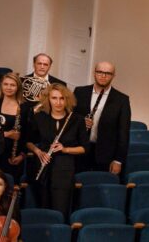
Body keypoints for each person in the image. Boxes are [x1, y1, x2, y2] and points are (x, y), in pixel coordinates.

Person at [27, 83, 87, 219]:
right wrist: (38, 152)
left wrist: (65, 149)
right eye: (54, 98)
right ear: (48, 99)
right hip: (42, 168)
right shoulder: (40, 117)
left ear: (67, 100)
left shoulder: (77, 119)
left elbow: (85, 148)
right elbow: (28, 141)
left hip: (64, 170)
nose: (58, 102)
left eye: (62, 98)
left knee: (60, 210)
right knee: (42, 210)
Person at [73, 61, 130, 175]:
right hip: (79, 150)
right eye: (100, 72)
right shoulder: (79, 92)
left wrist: (118, 160)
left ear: (113, 76)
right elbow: (69, 118)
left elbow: (123, 132)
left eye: (108, 73)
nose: (103, 76)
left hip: (106, 154)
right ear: (94, 73)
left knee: (99, 183)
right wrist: (81, 122)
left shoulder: (122, 99)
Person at [0, 73, 27, 184]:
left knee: (11, 186)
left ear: (18, 87)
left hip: (14, 156)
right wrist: (6, 134)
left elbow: (28, 134)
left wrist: (22, 155)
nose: (8, 88)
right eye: (6, 84)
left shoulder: (24, 107)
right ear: (1, 85)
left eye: (12, 85)